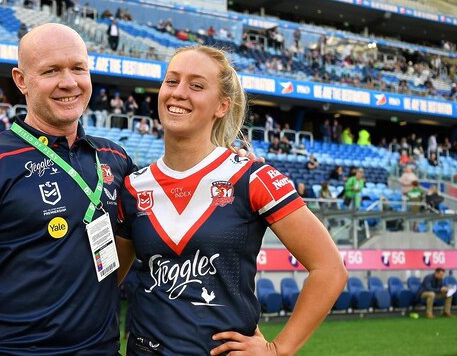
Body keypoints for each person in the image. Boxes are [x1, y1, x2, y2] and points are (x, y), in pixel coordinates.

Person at [116, 45, 347, 355]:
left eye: (196, 85)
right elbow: (109, 279)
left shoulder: (252, 177)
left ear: (222, 106)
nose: (179, 92)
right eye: (172, 81)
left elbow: (330, 269)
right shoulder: (132, 186)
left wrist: (278, 349)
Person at [0, 23, 138, 354]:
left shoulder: (115, 158)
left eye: (78, 68)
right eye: (51, 71)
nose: (69, 82)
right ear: (21, 80)